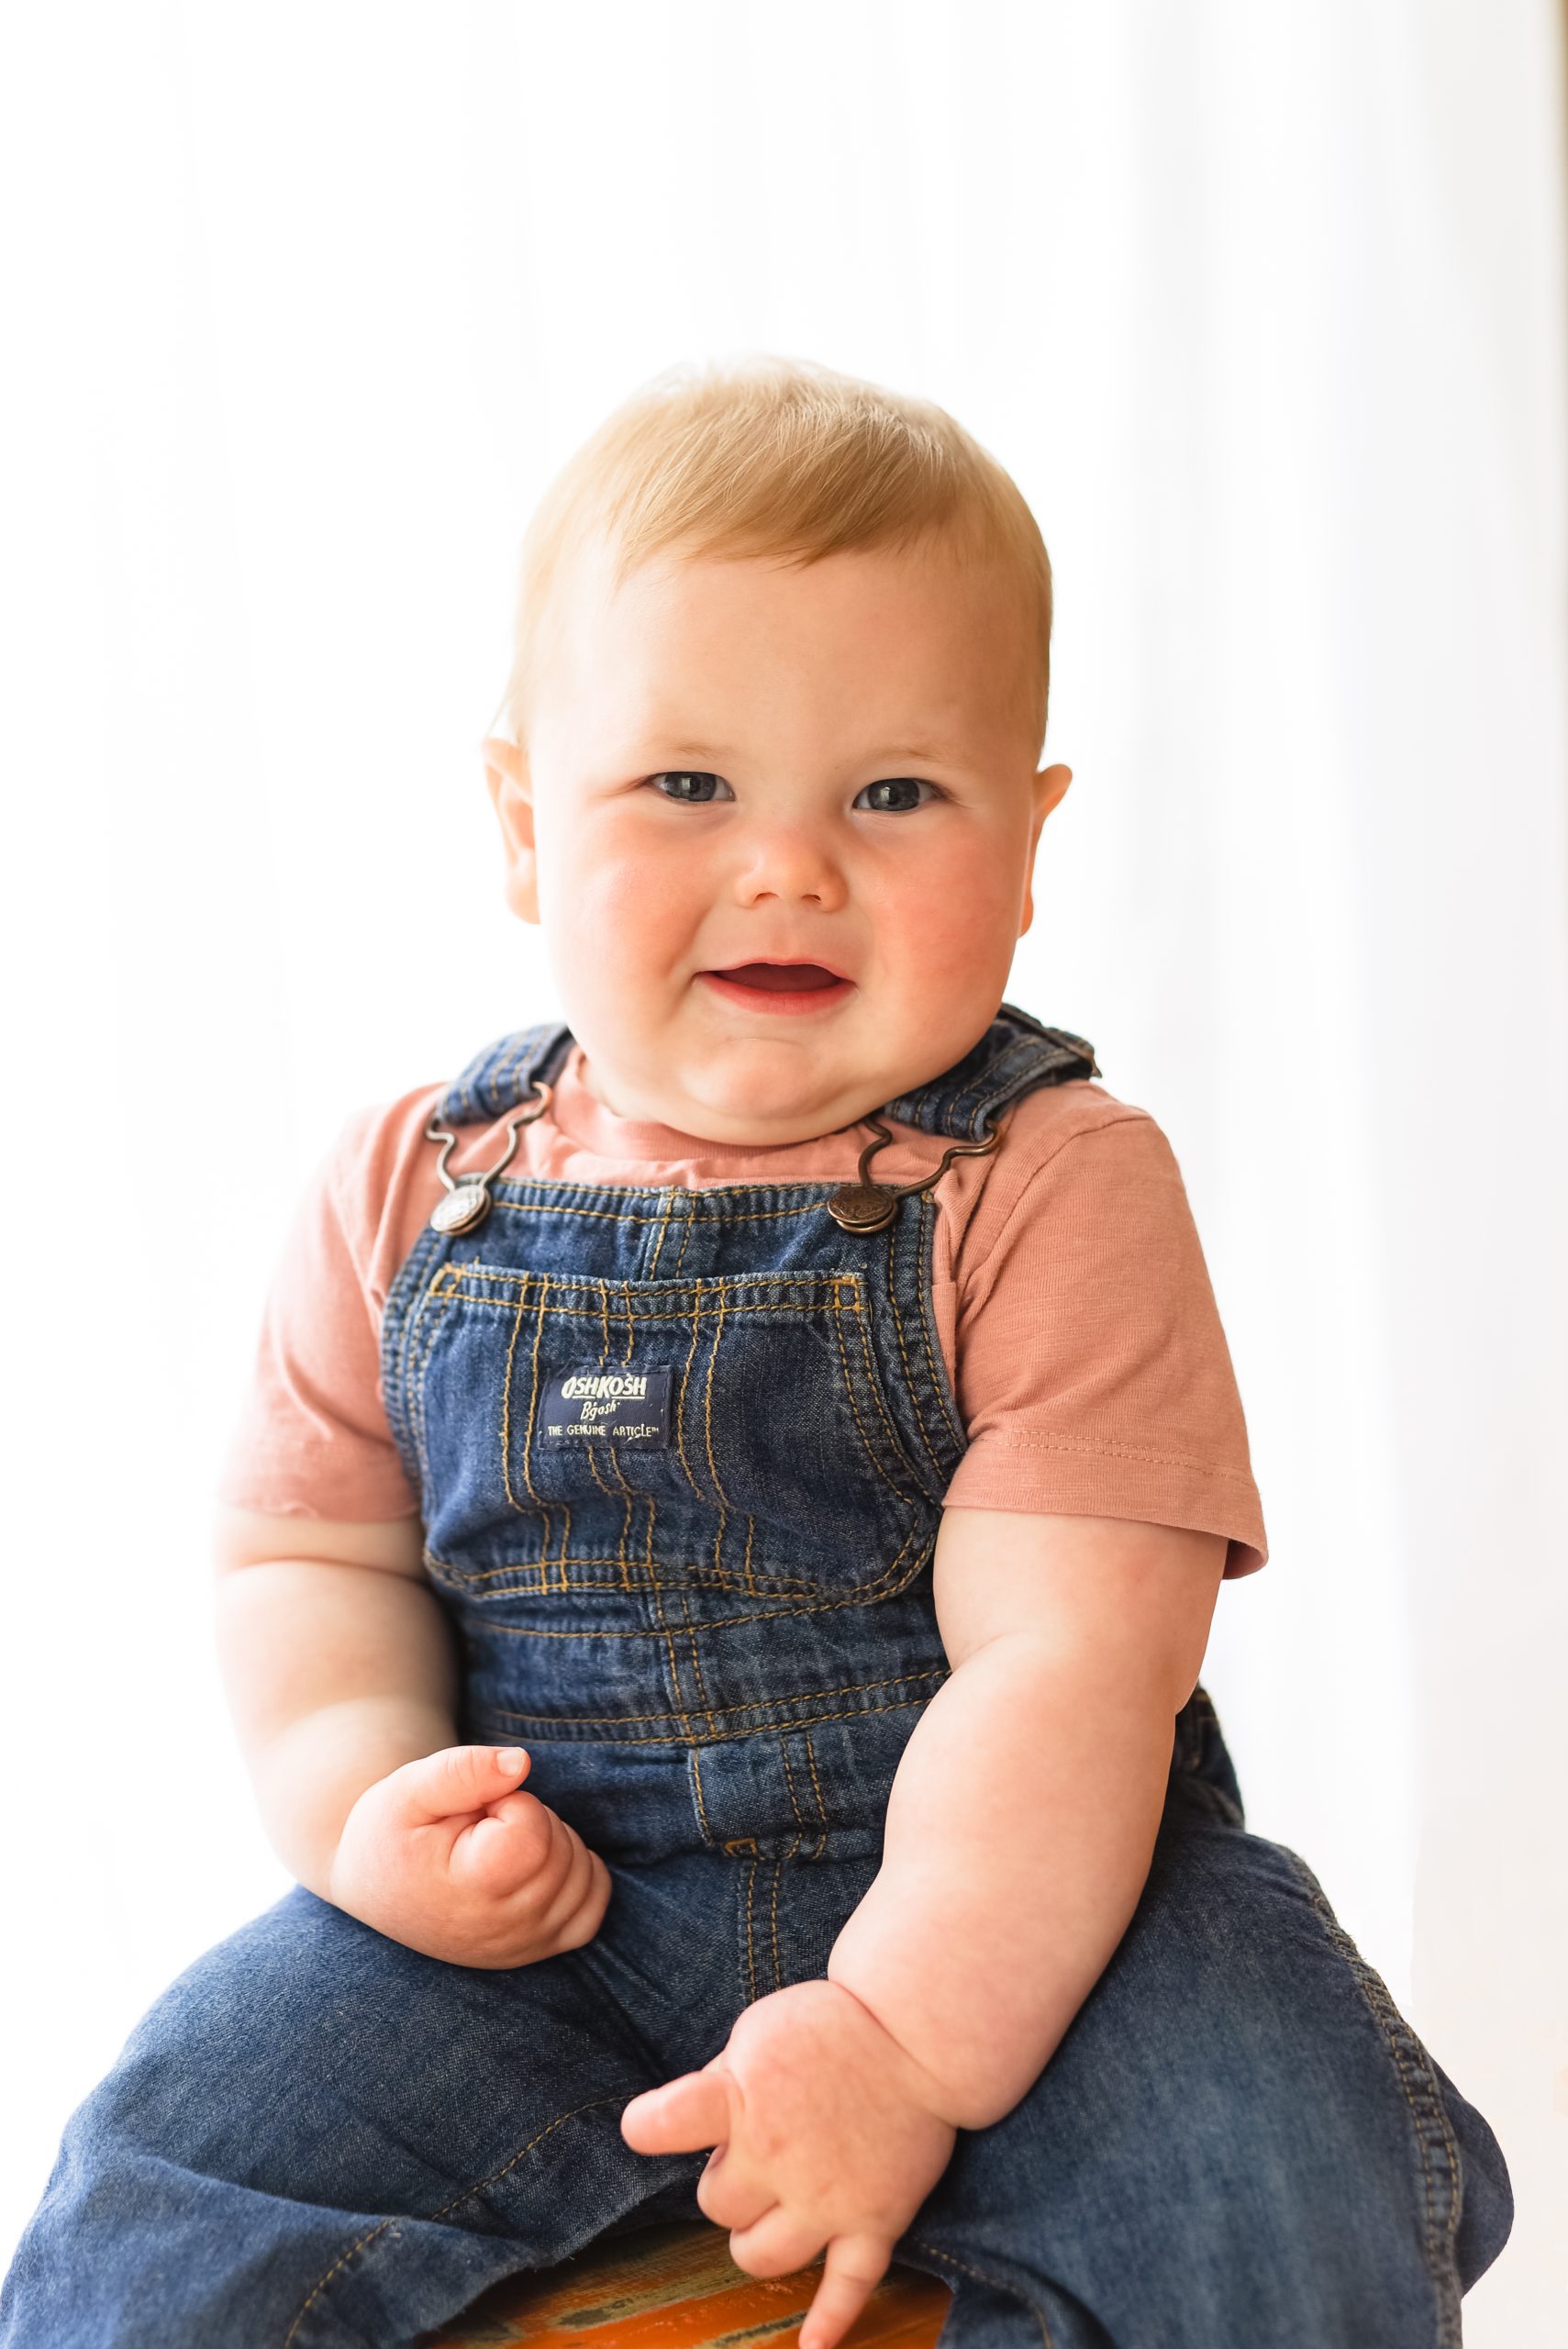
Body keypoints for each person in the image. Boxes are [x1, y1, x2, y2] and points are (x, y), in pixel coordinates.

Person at [0, 357, 1512, 2349]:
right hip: (550, 1911)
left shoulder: (1048, 1182)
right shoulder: (408, 1180)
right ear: (524, 820)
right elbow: (308, 1557)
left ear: (1032, 835)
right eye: (688, 785)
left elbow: (1072, 1666)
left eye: (895, 792)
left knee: (1256, 2151)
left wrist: (899, 2032)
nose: (790, 863)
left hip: (1038, 1899)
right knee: (171, 2170)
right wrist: (363, 1800)